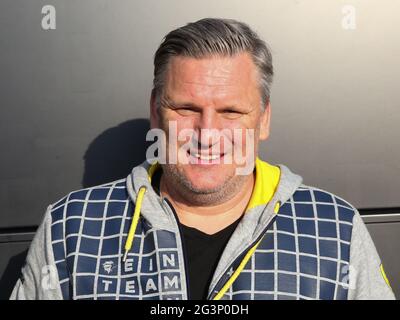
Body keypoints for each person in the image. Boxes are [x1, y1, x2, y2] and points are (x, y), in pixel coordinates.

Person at [11, 18, 395, 300]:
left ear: (263, 119)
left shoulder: (335, 229)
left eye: (230, 111)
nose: (206, 132)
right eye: (185, 108)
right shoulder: (70, 228)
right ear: (156, 111)